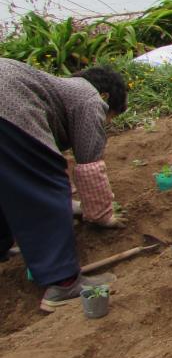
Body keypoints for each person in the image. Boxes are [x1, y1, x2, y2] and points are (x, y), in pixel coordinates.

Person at [0, 58, 127, 311]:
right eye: (110, 116)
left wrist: (73, 206)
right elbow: (89, 166)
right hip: (7, 107)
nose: (106, 123)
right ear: (105, 97)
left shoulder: (58, 90)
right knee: (46, 184)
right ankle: (64, 282)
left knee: (10, 181)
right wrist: (101, 215)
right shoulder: (90, 99)